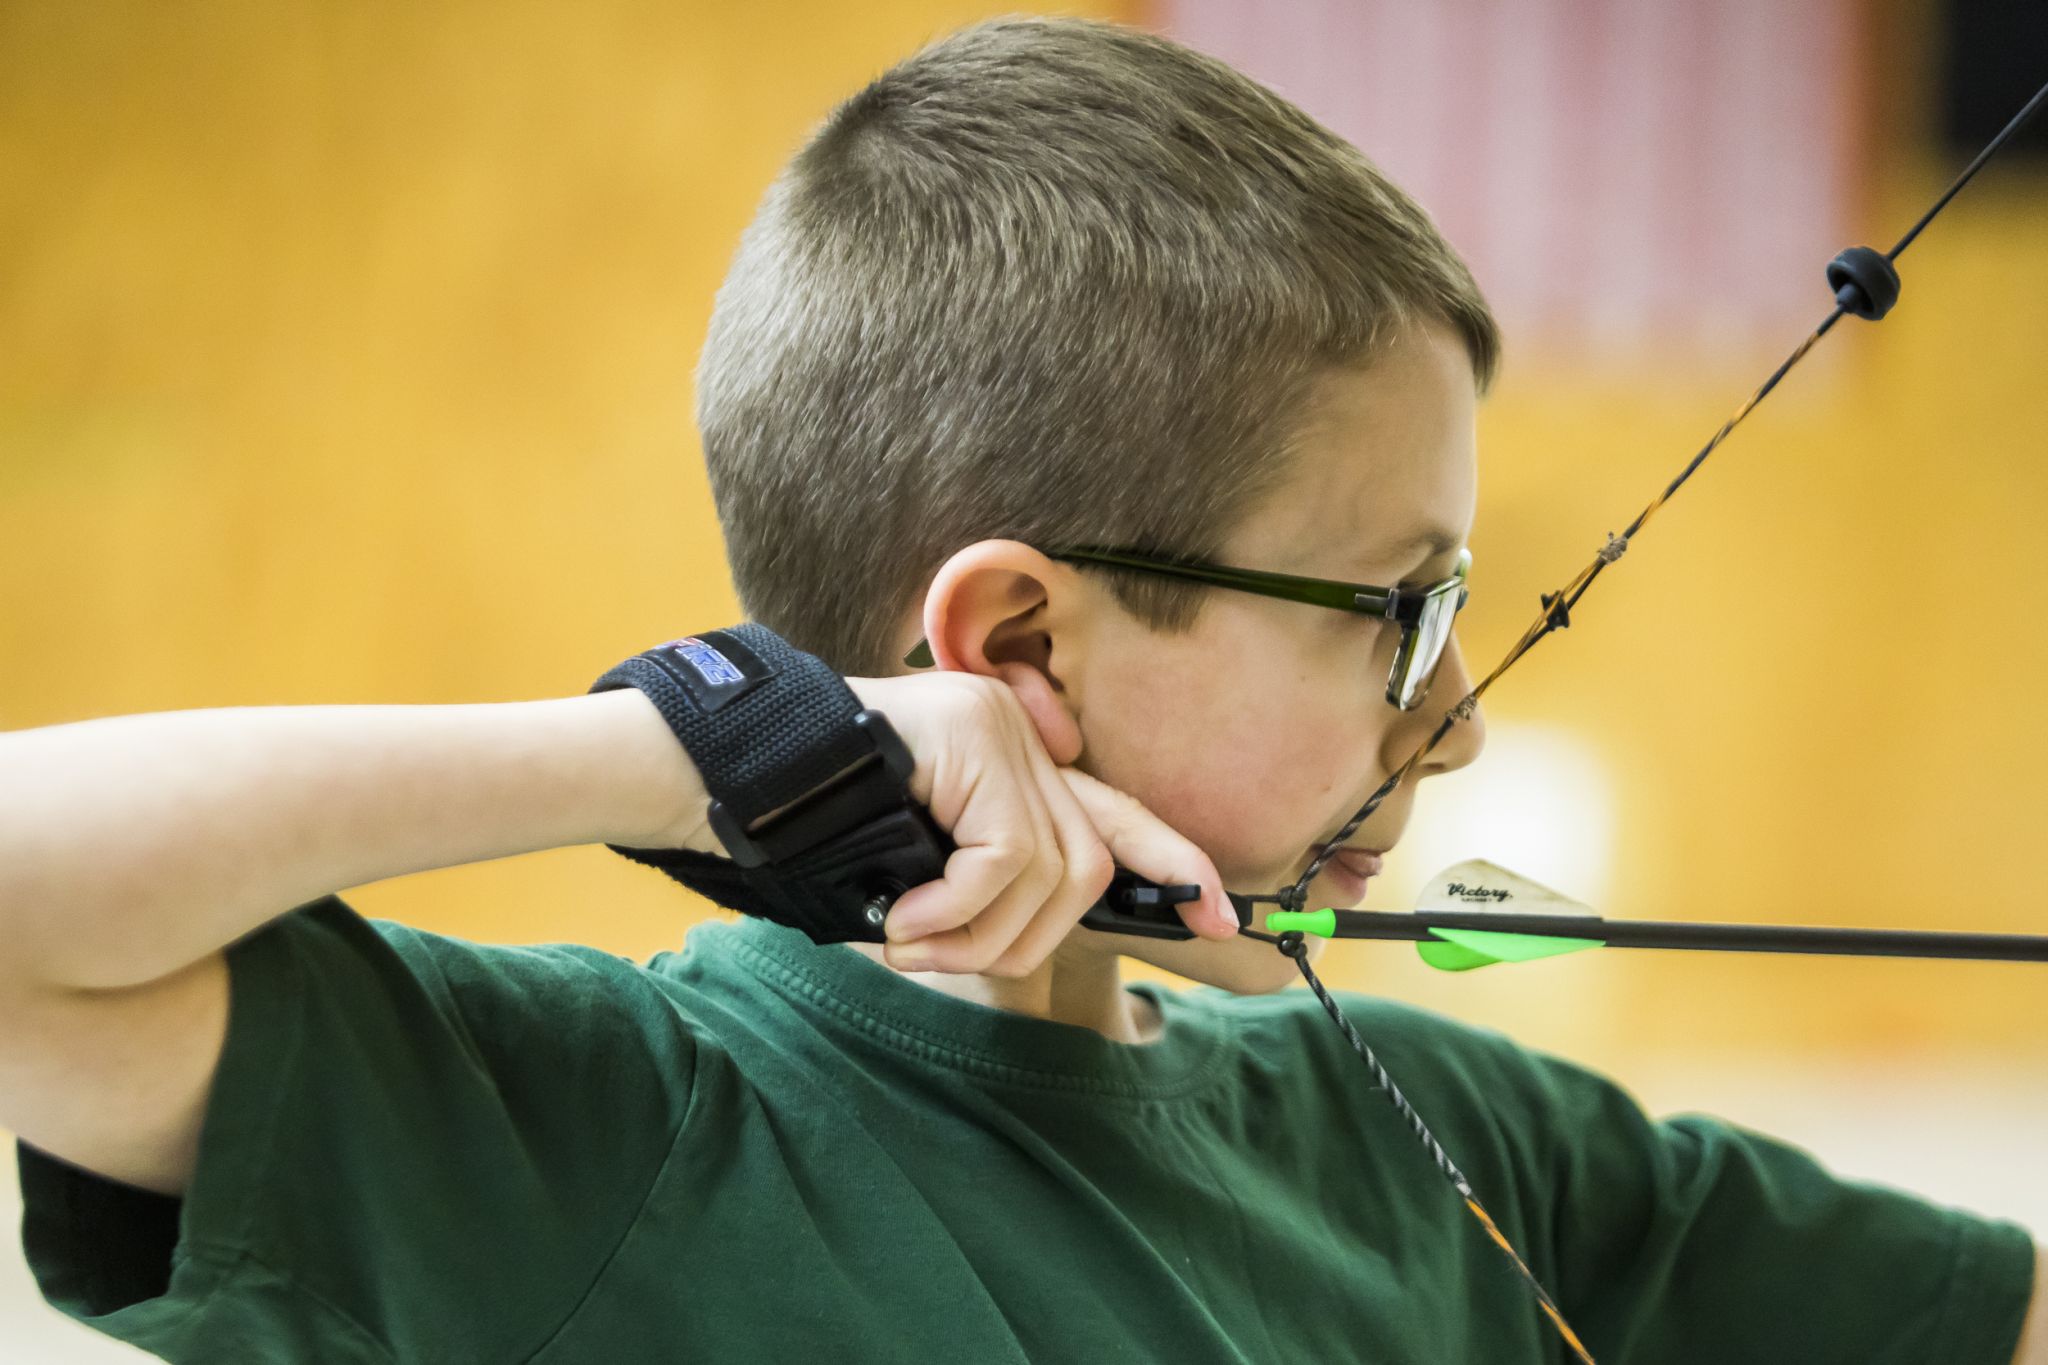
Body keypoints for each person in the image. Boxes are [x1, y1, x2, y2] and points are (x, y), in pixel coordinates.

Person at [4, 15, 2039, 1363]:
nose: (1458, 710)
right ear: (1015, 649)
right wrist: (719, 742)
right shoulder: (594, 1133)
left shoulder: (1446, 1137)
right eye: (1391, 606)